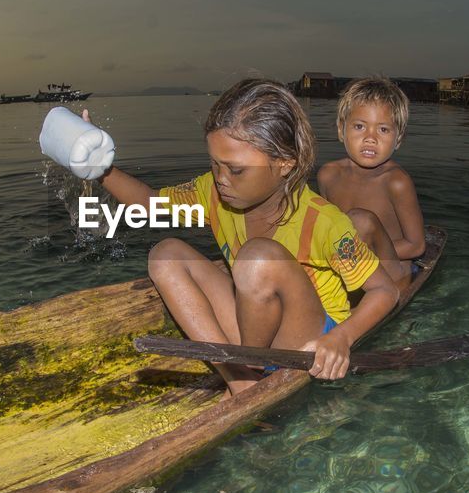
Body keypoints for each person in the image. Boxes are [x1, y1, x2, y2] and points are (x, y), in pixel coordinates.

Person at [47, 79, 400, 396]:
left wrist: (341, 338)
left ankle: (252, 367)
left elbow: (385, 291)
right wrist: (100, 168)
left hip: (307, 342)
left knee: (257, 257)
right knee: (166, 253)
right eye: (215, 164)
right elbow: (151, 205)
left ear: (285, 163)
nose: (221, 178)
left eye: (236, 169)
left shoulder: (324, 222)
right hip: (251, 336)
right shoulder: (212, 193)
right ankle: (239, 379)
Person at [316, 77, 425, 286]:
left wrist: (360, 252)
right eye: (359, 126)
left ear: (398, 138)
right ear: (341, 130)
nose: (370, 138)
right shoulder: (328, 175)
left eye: (383, 130)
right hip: (345, 263)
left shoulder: (396, 182)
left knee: (361, 221)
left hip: (391, 272)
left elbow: (416, 246)